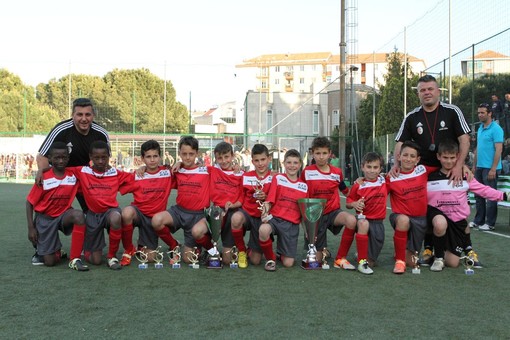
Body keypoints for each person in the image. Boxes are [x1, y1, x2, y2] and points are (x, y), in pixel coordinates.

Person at [427, 140, 509, 271]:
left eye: (452, 158)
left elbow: (483, 190)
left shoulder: (465, 176)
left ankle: (458, 250)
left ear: (458, 157)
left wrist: (503, 195)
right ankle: (435, 254)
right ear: (438, 157)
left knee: (453, 263)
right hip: (437, 220)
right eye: (445, 157)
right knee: (438, 223)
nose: (448, 161)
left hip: (456, 223)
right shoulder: (430, 177)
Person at [392, 75, 471, 183]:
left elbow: (465, 140)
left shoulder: (452, 111)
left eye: (430, 89)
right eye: (423, 90)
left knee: (452, 198)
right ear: (418, 94)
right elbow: (400, 143)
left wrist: (459, 165)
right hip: (422, 169)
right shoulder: (411, 117)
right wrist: (396, 165)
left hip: (450, 168)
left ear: (438, 92)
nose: (427, 92)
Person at [70, 141, 136, 270]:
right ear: (91, 157)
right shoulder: (82, 171)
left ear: (109, 156)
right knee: (96, 260)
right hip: (93, 214)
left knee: (116, 217)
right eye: (97, 158)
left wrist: (142, 169)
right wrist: (43, 171)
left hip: (110, 211)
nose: (100, 161)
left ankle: (112, 257)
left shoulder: (115, 173)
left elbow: (136, 177)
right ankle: (87, 249)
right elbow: (62, 170)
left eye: (104, 157)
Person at [36, 98, 109, 211]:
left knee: (95, 210)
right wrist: (49, 180)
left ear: (93, 115)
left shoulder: (101, 133)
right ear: (73, 115)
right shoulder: (60, 130)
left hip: (84, 177)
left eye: (87, 114)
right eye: (79, 114)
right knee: (52, 210)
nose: (84, 119)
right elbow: (42, 156)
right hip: (61, 176)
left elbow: (105, 160)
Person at [26, 142, 88, 271]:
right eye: (56, 158)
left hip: (63, 216)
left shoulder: (73, 174)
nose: (60, 161)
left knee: (78, 215)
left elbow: (94, 168)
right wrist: (31, 228)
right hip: (45, 219)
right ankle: (55, 250)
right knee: (50, 262)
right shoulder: (44, 178)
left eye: (64, 157)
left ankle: (75, 258)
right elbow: (29, 202)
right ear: (50, 158)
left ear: (68, 158)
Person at [151, 136, 213, 265]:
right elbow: (156, 171)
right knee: (157, 220)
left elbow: (225, 174)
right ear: (179, 153)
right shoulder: (177, 170)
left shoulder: (207, 171)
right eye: (184, 154)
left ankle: (210, 248)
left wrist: (235, 168)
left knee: (187, 259)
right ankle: (174, 245)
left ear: (197, 153)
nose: (188, 157)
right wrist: (142, 168)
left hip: (198, 216)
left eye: (191, 154)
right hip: (179, 212)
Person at [300, 137, 357, 269]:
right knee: (316, 262)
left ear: (330, 153)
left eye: (324, 153)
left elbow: (346, 191)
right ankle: (322, 252)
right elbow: (302, 197)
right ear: (313, 153)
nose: (321, 157)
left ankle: (340, 258)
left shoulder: (337, 173)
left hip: (333, 212)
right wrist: (306, 225)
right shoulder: (307, 172)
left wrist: (360, 184)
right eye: (318, 153)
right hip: (315, 215)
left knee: (351, 220)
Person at [119, 140, 175, 266]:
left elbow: (185, 173)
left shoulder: (167, 173)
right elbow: (118, 184)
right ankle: (128, 249)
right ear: (143, 159)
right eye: (148, 157)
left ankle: (143, 245)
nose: (152, 160)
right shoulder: (138, 175)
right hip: (138, 214)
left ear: (160, 157)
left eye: (155, 156)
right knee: (127, 213)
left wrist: (180, 163)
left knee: (149, 258)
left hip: (154, 219)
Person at [190, 141, 243, 265]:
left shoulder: (240, 174)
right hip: (214, 212)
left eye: (227, 157)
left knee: (227, 261)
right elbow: (190, 167)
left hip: (231, 214)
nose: (224, 161)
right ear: (216, 158)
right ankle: (212, 251)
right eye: (220, 158)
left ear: (233, 157)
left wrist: (232, 205)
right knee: (197, 231)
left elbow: (241, 200)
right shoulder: (211, 170)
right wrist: (179, 162)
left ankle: (241, 249)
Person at [258, 149, 308, 271]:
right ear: (283, 163)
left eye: (295, 163)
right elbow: (269, 201)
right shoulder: (278, 178)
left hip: (291, 225)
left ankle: (281, 253)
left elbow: (303, 213)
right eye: (289, 162)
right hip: (275, 219)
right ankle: (271, 259)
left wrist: (308, 231)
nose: (292, 166)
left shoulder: (304, 186)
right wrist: (264, 214)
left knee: (288, 263)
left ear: (300, 164)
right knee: (263, 230)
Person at [386, 141, 431, 270]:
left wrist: (462, 167)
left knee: (412, 262)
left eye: (412, 156)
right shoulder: (391, 177)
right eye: (405, 155)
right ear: (399, 157)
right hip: (400, 217)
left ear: (418, 159)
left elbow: (444, 166)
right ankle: (399, 261)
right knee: (403, 220)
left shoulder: (423, 170)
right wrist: (360, 181)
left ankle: (402, 252)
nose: (408, 159)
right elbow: (377, 189)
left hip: (420, 220)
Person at [230, 144, 273, 268]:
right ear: (252, 161)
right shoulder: (246, 176)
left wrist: (266, 197)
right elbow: (240, 197)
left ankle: (251, 250)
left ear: (269, 159)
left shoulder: (274, 178)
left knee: (255, 261)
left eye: (263, 159)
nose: (260, 163)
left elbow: (276, 199)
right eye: (256, 160)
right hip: (247, 214)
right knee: (236, 218)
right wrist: (232, 204)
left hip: (262, 218)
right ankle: (242, 251)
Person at [346, 152, 387, 274]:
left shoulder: (384, 181)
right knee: (363, 224)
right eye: (369, 167)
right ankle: (362, 261)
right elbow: (348, 202)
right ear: (362, 167)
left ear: (380, 169)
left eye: (375, 167)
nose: (372, 171)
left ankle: (363, 255)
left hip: (378, 223)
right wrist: (354, 204)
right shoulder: (358, 185)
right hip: (363, 220)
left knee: (372, 262)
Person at [469, 103, 504, 231]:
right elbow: (478, 148)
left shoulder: (496, 129)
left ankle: (490, 223)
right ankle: (478, 221)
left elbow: (499, 149)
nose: (480, 115)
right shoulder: (481, 128)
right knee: (478, 195)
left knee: (491, 196)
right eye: (479, 112)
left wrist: (493, 168)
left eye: (482, 112)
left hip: (490, 168)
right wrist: (474, 166)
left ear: (490, 113)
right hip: (479, 167)